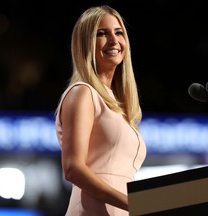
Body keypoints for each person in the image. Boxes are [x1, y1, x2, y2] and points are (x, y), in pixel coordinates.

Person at [54, 5, 147, 216]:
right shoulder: (82, 93)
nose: (114, 41)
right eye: (102, 34)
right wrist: (134, 203)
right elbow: (73, 169)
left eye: (119, 32)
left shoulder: (118, 105)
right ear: (85, 43)